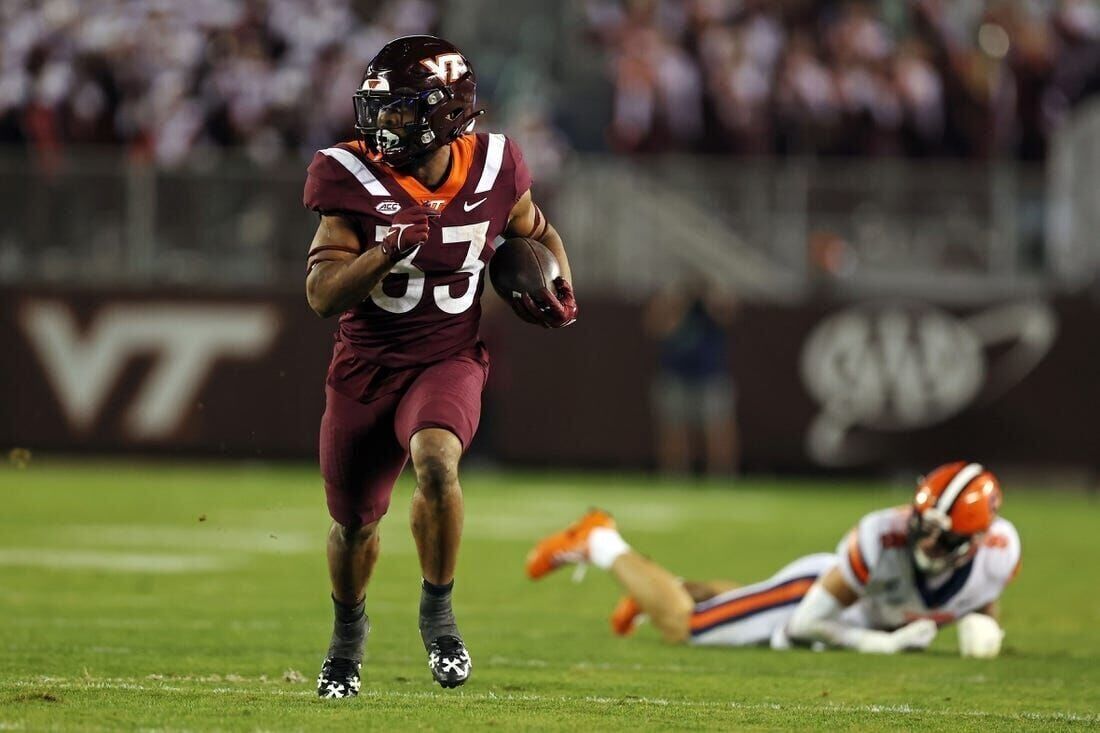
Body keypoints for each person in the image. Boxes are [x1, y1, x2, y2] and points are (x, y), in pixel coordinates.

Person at [303, 35, 577, 696]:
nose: (385, 122)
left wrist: (562, 283)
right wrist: (381, 255)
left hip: (447, 357)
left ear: (445, 112)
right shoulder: (349, 173)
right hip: (365, 369)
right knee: (353, 524)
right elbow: (320, 295)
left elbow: (535, 231)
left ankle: (439, 613)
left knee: (435, 459)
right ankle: (347, 638)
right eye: (381, 107)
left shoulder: (496, 164)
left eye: (400, 109)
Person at [526, 462, 1020, 657]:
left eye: (941, 538)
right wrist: (881, 645)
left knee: (740, 602)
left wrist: (987, 630)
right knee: (688, 628)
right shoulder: (880, 538)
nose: (924, 543)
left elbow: (981, 597)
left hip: (856, 609)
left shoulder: (999, 555)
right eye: (922, 528)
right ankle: (602, 541)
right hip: (814, 599)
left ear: (975, 543)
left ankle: (655, 588)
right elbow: (806, 625)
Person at [644, 282, 738, 475]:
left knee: (717, 428)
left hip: (710, 374)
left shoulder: (712, 299)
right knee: (673, 429)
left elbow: (728, 315)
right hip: (675, 374)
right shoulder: (672, 301)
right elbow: (657, 327)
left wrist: (709, 299)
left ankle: (722, 477)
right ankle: (674, 476)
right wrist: (679, 304)